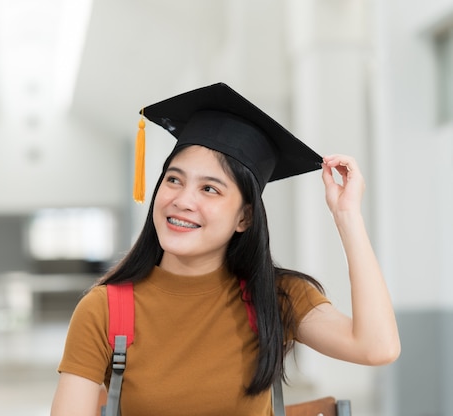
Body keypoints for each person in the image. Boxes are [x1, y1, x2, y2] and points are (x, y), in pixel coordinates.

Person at [50, 83, 400, 415]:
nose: (183, 200)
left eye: (210, 189)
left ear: (244, 218)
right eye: (174, 179)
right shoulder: (106, 310)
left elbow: (377, 347)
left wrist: (347, 215)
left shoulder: (275, 297)